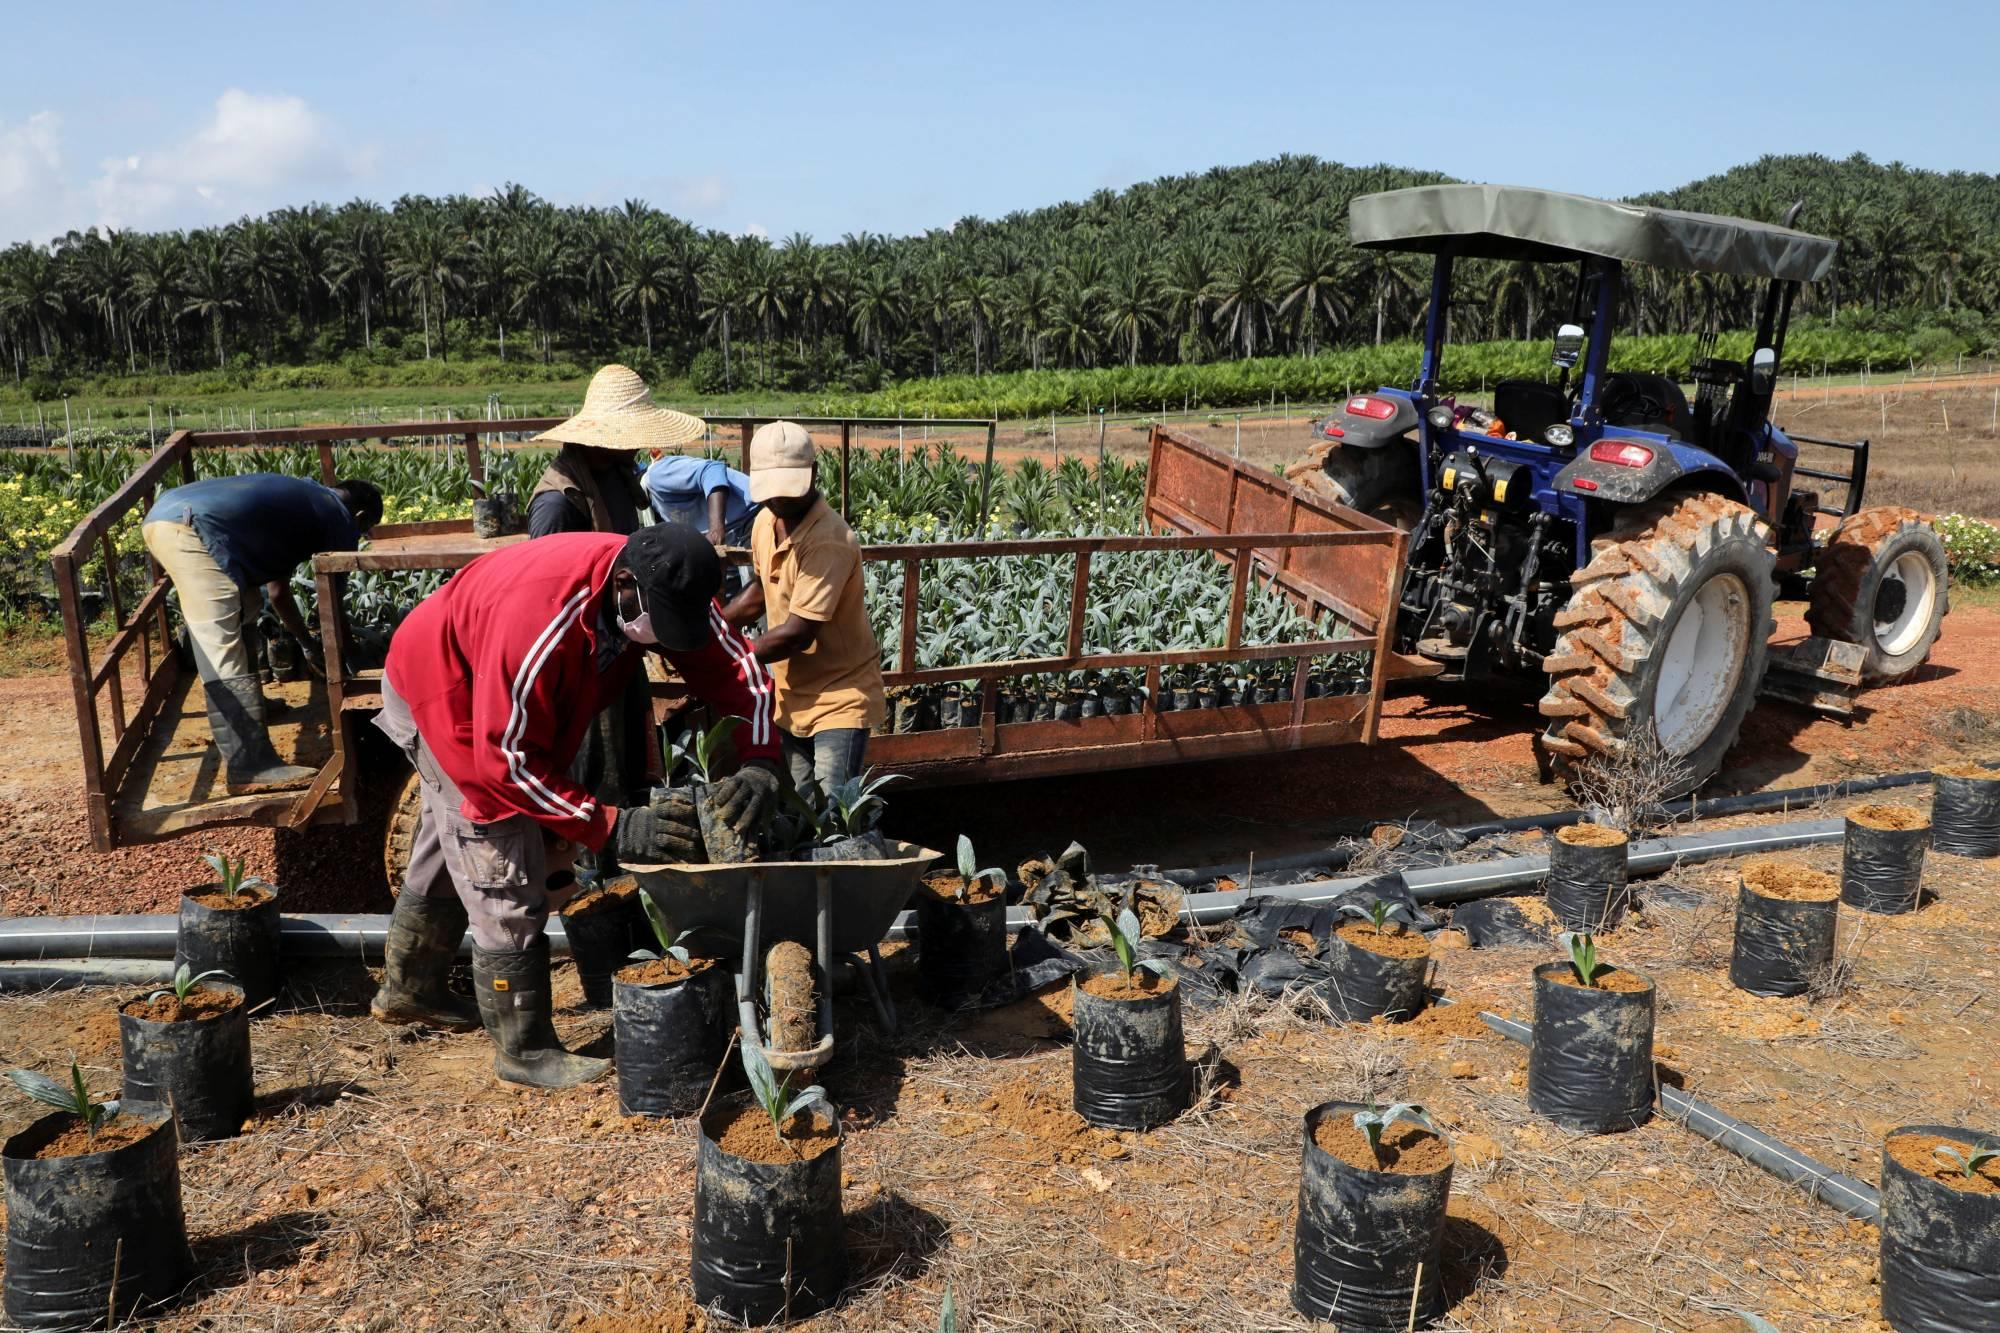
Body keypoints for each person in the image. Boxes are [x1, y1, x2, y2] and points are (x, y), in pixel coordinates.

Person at [369, 524, 782, 1089]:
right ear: (624, 583)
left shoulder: (671, 581)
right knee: (497, 852)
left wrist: (761, 761)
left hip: (499, 699)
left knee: (450, 841)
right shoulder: (541, 621)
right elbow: (503, 760)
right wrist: (610, 826)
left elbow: (739, 673)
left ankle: (410, 988)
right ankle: (525, 1050)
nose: (665, 638)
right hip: (448, 690)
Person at [525, 364, 708, 817]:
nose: (637, 445)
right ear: (602, 437)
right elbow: (547, 597)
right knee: (593, 768)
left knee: (630, 761)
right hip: (583, 655)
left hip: (619, 640)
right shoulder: (559, 502)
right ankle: (596, 846)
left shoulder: (617, 476)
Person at [142, 472, 383, 791]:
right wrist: (352, 657)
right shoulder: (338, 515)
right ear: (360, 516)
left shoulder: (306, 502)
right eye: (363, 529)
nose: (358, 534)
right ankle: (249, 764)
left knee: (247, 605)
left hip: (171, 514)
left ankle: (251, 707)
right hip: (191, 527)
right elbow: (333, 605)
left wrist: (306, 644)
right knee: (220, 641)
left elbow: (277, 593)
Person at [722, 421, 886, 798]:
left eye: (788, 487)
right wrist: (715, 628)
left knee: (834, 808)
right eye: (772, 489)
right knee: (801, 804)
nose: (779, 499)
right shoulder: (765, 522)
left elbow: (798, 633)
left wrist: (730, 657)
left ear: (814, 472)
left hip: (839, 696)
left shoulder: (829, 539)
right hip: (790, 694)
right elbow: (759, 592)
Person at [526, 363, 704, 538]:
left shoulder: (617, 473)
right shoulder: (557, 505)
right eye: (632, 432)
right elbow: (546, 558)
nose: (639, 443)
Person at [644, 452, 760, 550]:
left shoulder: (656, 475)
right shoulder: (655, 508)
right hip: (735, 532)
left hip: (752, 514)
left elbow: (712, 470)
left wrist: (715, 529)